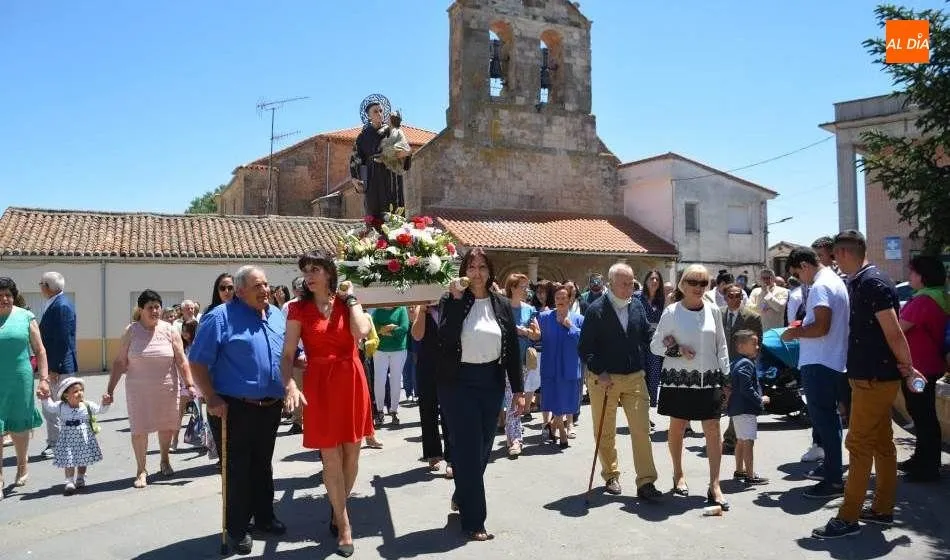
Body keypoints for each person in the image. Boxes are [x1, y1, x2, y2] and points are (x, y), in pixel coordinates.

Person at [811, 231, 928, 539]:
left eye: (835, 257)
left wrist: (908, 367)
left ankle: (847, 517)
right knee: (880, 443)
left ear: (845, 254)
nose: (835, 264)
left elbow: (893, 332)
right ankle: (882, 508)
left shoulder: (871, 283)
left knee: (859, 444)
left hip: (873, 378)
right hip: (871, 375)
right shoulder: (867, 280)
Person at [189, 266, 304, 555]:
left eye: (266, 284)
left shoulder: (277, 315)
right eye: (257, 286)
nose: (265, 290)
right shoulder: (220, 318)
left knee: (262, 464)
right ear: (240, 291)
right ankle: (237, 528)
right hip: (234, 407)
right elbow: (198, 363)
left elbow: (288, 352)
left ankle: (264, 517)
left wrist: (297, 363)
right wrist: (211, 397)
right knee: (237, 469)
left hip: (270, 405)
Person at [282, 252, 373, 557]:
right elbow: (287, 353)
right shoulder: (297, 308)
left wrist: (351, 301)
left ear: (330, 273)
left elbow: (361, 333)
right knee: (331, 458)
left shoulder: (348, 303)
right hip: (319, 383)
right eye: (306, 270)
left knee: (351, 455)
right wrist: (291, 383)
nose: (309, 275)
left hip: (351, 379)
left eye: (315, 269)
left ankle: (337, 508)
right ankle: (344, 523)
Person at [437, 247, 525, 541]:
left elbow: (511, 350)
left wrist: (519, 391)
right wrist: (456, 300)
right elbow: (446, 340)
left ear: (490, 271)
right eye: (472, 267)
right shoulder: (452, 299)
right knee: (467, 448)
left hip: (491, 382)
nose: (477, 272)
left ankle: (463, 494)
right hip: (458, 384)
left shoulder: (501, 303)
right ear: (464, 270)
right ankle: (475, 521)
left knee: (484, 448)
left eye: (482, 267)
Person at [578, 263, 662, 500]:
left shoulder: (637, 305)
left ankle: (646, 482)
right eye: (625, 283)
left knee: (641, 430)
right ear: (611, 284)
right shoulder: (596, 310)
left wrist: (663, 341)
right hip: (605, 380)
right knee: (604, 431)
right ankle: (611, 474)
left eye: (632, 282)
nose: (630, 287)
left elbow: (645, 334)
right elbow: (585, 348)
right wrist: (599, 371)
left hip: (635, 377)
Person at [651, 264, 729, 509]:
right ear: (682, 285)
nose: (698, 287)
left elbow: (722, 345)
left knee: (713, 429)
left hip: (710, 379)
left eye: (703, 283)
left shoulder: (714, 310)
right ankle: (678, 474)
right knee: (678, 427)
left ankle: (715, 484)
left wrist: (727, 376)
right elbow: (655, 345)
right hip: (680, 380)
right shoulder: (672, 312)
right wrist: (676, 350)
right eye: (692, 282)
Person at [104, 290, 198, 488]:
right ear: (141, 310)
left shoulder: (170, 330)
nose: (155, 311)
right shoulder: (131, 330)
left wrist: (189, 384)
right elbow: (120, 362)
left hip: (166, 387)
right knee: (139, 429)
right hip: (138, 390)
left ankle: (164, 460)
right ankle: (141, 469)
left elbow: (181, 360)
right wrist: (110, 389)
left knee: (166, 426)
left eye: (157, 306)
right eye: (150, 307)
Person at [782, 247, 850, 499]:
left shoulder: (821, 286)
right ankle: (832, 469)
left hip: (820, 363)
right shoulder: (834, 281)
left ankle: (833, 480)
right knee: (830, 421)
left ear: (804, 265)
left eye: (797, 273)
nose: (800, 279)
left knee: (825, 422)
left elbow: (821, 326)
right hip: (831, 361)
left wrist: (794, 333)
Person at [898, 255, 949, 482]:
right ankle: (922, 459)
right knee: (922, 413)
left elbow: (898, 329)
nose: (909, 276)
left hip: (920, 370)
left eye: (912, 272)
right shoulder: (938, 297)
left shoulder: (923, 301)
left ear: (923, 276)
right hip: (928, 366)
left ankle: (927, 466)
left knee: (923, 415)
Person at [0, 277, 49, 493]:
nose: (4, 299)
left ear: (14, 296)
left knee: (20, 427)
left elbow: (39, 351)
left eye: (8, 294)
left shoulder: (25, 316)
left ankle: (22, 466)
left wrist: (44, 380)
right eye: (0, 295)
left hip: (20, 379)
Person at [42, 377, 110, 495]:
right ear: (66, 395)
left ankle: (80, 477)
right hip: (68, 439)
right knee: (69, 459)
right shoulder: (60, 406)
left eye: (81, 390)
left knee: (83, 459)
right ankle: (69, 481)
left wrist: (105, 403)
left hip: (84, 438)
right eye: (75, 391)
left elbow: (101, 410)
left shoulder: (87, 405)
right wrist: (45, 398)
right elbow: (50, 407)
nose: (80, 393)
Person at [538, 283, 584, 447]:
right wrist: (533, 336)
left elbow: (584, 341)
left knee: (566, 401)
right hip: (550, 365)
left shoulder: (578, 319)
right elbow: (536, 338)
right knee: (553, 399)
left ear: (570, 300)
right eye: (557, 298)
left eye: (563, 298)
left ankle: (551, 426)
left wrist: (569, 326)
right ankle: (562, 432)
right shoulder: (544, 317)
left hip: (569, 366)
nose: (560, 300)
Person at [38, 271, 77, 460]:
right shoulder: (56, 303)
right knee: (56, 406)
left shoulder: (61, 306)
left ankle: (56, 444)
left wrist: (54, 367)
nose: (39, 288)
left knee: (52, 407)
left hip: (59, 367)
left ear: (47, 287)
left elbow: (62, 339)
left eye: (41, 284)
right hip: (57, 364)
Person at [720, 283, 763, 453]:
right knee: (723, 399)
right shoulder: (718, 314)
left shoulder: (752, 317)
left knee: (736, 397)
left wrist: (751, 363)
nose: (735, 299)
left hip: (741, 364)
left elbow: (759, 342)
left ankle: (731, 439)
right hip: (721, 363)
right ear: (725, 297)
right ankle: (728, 437)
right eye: (731, 295)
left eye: (738, 295)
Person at [351, 100, 410, 221]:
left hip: (391, 174)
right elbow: (356, 158)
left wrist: (389, 155)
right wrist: (356, 179)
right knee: (373, 209)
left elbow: (405, 150)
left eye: (381, 110)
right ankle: (374, 237)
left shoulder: (392, 131)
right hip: (372, 177)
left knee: (393, 208)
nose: (379, 113)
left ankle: (396, 235)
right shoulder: (362, 137)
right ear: (369, 115)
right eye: (375, 111)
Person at [412, 303, 452, 475]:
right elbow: (417, 335)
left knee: (450, 412)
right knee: (427, 409)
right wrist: (421, 309)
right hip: (426, 364)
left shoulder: (450, 303)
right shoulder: (420, 306)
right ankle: (433, 453)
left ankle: (452, 458)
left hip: (449, 363)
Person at [503, 273, 540, 456]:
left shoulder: (530, 309)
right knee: (511, 398)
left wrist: (522, 331)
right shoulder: (502, 307)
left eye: (527, 287)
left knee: (514, 398)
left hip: (523, 361)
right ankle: (513, 435)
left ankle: (514, 437)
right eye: (523, 287)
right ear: (512, 288)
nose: (527, 290)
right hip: (503, 358)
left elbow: (536, 335)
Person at [727, 330, 769, 485]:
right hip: (745, 409)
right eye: (754, 344)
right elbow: (746, 387)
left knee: (741, 440)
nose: (757, 347)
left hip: (738, 409)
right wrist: (760, 399)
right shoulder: (746, 363)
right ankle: (750, 475)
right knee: (748, 441)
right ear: (741, 346)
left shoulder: (737, 361)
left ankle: (740, 470)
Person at [371, 306, 409, 427]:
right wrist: (392, 328)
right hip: (380, 349)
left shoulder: (401, 309)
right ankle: (380, 410)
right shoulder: (377, 310)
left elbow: (404, 327)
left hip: (398, 349)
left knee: (396, 380)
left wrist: (386, 330)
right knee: (379, 381)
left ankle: (394, 410)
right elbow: (374, 328)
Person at [638, 270, 666, 408]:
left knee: (654, 377)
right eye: (651, 279)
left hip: (656, 344)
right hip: (639, 343)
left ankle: (648, 409)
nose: (654, 281)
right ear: (646, 281)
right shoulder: (637, 298)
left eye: (657, 279)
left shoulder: (662, 301)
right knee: (640, 377)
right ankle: (642, 413)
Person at [376, 110, 411, 175]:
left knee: (387, 149)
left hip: (400, 146)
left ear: (392, 120)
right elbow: (385, 129)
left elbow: (391, 140)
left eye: (388, 119)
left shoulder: (396, 130)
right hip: (397, 149)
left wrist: (383, 143)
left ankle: (382, 157)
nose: (387, 120)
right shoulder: (390, 129)